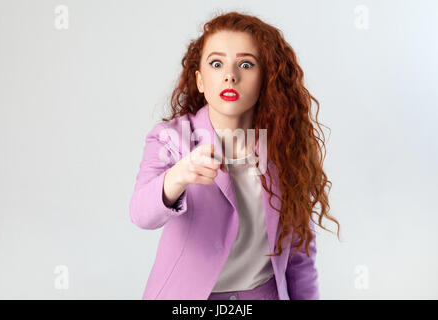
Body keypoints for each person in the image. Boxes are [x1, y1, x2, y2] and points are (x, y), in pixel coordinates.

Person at [129, 10, 341, 300]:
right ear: (201, 81)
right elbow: (141, 214)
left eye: (246, 64)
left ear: (266, 78)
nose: (230, 75)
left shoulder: (285, 146)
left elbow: (299, 255)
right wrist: (177, 177)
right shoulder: (171, 137)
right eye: (216, 64)